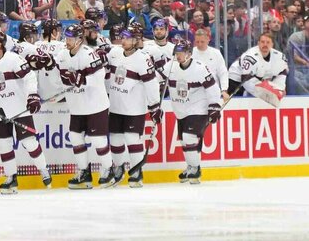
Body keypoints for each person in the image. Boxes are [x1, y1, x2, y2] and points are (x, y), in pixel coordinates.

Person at [0, 30, 52, 193]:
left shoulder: (13, 59)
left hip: (19, 108)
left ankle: (43, 169)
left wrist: (32, 95)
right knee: (3, 144)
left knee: (29, 142)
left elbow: (29, 76)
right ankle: (11, 177)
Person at [56, 24, 114, 188]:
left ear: (80, 40)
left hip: (95, 104)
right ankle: (84, 172)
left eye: (71, 38)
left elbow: (98, 77)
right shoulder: (61, 55)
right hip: (77, 106)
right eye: (66, 38)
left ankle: (108, 169)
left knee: (97, 139)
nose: (67, 41)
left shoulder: (89, 54)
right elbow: (60, 78)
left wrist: (83, 81)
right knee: (75, 137)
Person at [104, 24, 160, 187]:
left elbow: (152, 84)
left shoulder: (143, 58)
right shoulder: (114, 53)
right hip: (115, 106)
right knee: (115, 139)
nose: (124, 40)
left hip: (134, 108)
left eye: (128, 38)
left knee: (131, 138)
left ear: (136, 41)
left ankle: (136, 172)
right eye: (123, 37)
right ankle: (119, 169)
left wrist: (154, 105)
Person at [163, 38, 221, 184]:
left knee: (189, 138)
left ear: (189, 53)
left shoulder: (200, 68)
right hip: (180, 109)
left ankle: (195, 169)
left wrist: (214, 106)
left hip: (198, 108)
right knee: (184, 141)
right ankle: (190, 166)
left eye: (181, 52)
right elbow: (155, 79)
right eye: (176, 52)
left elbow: (212, 88)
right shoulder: (171, 66)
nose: (178, 55)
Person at [228, 33, 288, 107]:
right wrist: (265, 92)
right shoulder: (251, 56)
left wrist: (278, 89)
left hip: (257, 78)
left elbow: (281, 74)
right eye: (262, 42)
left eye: (268, 42)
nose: (265, 45)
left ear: (272, 44)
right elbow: (246, 81)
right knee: (234, 106)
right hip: (236, 79)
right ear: (258, 43)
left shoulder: (279, 57)